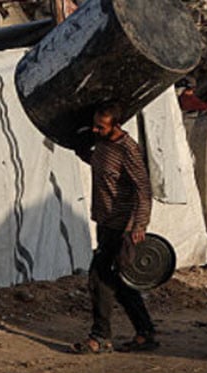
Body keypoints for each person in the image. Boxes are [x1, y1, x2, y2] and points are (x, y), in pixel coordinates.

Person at [74, 104, 158, 354]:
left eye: (101, 126)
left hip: (121, 226)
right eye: (95, 125)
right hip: (104, 220)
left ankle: (100, 336)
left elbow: (143, 189)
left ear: (116, 126)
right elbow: (101, 165)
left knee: (98, 278)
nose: (96, 130)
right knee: (120, 282)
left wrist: (138, 225)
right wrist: (81, 150)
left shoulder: (127, 150)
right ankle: (145, 333)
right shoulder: (102, 145)